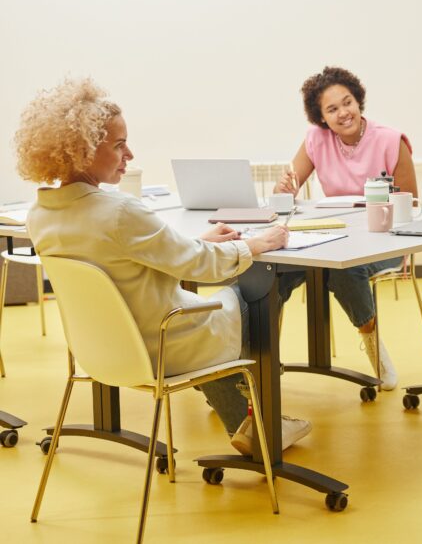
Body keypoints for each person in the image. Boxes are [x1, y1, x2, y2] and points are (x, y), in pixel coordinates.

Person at [14, 78, 310, 454]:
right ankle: (263, 426)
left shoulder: (41, 215)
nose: (131, 154)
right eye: (119, 145)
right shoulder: (120, 212)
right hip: (164, 348)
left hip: (103, 352)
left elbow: (126, 261)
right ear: (83, 150)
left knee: (206, 312)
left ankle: (245, 422)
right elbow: (203, 267)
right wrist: (255, 243)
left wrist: (196, 244)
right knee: (261, 287)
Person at [274, 65, 416, 390]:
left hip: (386, 241)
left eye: (347, 102)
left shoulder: (391, 140)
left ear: (358, 101)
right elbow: (289, 189)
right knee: (273, 267)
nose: (343, 113)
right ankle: (261, 359)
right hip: (334, 238)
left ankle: (374, 347)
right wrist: (284, 189)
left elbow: (412, 206)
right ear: (321, 117)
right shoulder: (315, 140)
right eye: (332, 109)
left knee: (343, 269)